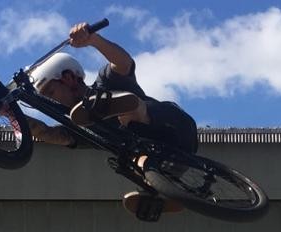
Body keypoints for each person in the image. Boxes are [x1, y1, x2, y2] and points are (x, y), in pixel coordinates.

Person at [24, 22, 199, 221]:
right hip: (169, 159)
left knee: (129, 111)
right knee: (130, 157)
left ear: (68, 78)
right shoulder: (82, 127)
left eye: (51, 92)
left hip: (174, 126)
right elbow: (48, 134)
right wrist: (10, 114)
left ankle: (123, 109)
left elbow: (123, 63)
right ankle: (158, 190)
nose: (52, 100)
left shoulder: (106, 81)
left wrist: (93, 40)